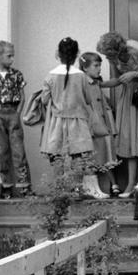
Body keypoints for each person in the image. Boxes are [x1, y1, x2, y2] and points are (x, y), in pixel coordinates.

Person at [40, 37, 106, 199]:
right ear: (77, 54)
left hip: (57, 121)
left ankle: (59, 191)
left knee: (57, 157)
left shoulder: (51, 75)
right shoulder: (81, 76)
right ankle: (76, 190)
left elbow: (44, 100)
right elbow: (88, 100)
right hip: (78, 121)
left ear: (58, 54)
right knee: (79, 157)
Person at [96, 31, 138, 197]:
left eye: (109, 54)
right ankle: (130, 184)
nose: (108, 57)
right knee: (128, 141)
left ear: (117, 49)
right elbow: (117, 80)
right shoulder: (112, 57)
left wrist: (136, 74)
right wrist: (99, 84)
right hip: (127, 97)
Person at [0, 40, 31, 198]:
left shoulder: (16, 75)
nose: (12, 59)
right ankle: (6, 185)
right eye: (9, 56)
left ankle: (24, 186)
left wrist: (18, 113)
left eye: (13, 56)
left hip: (12, 112)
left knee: (18, 151)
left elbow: (22, 97)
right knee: (2, 151)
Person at [80, 52, 120, 197]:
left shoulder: (95, 82)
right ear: (85, 68)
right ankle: (91, 188)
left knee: (105, 153)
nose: (99, 69)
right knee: (91, 157)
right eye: (96, 66)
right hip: (92, 126)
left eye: (100, 66)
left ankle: (111, 184)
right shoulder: (83, 83)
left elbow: (112, 84)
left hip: (102, 124)